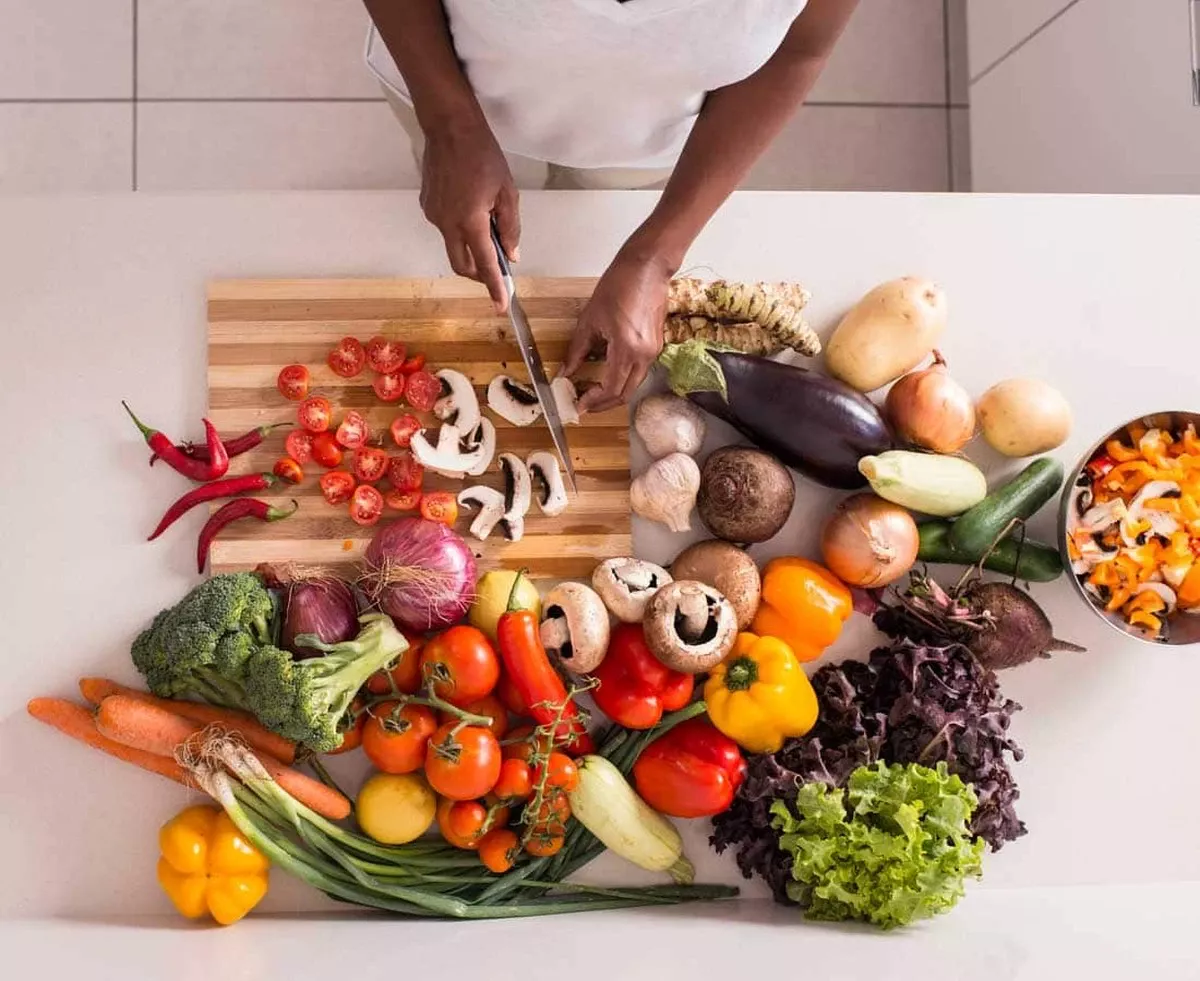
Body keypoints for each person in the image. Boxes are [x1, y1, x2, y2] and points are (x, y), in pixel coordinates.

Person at [363, 0, 860, 411]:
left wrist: (656, 254)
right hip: (451, 88)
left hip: (644, 139)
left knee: (585, 214)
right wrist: (449, 125)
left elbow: (800, 48)